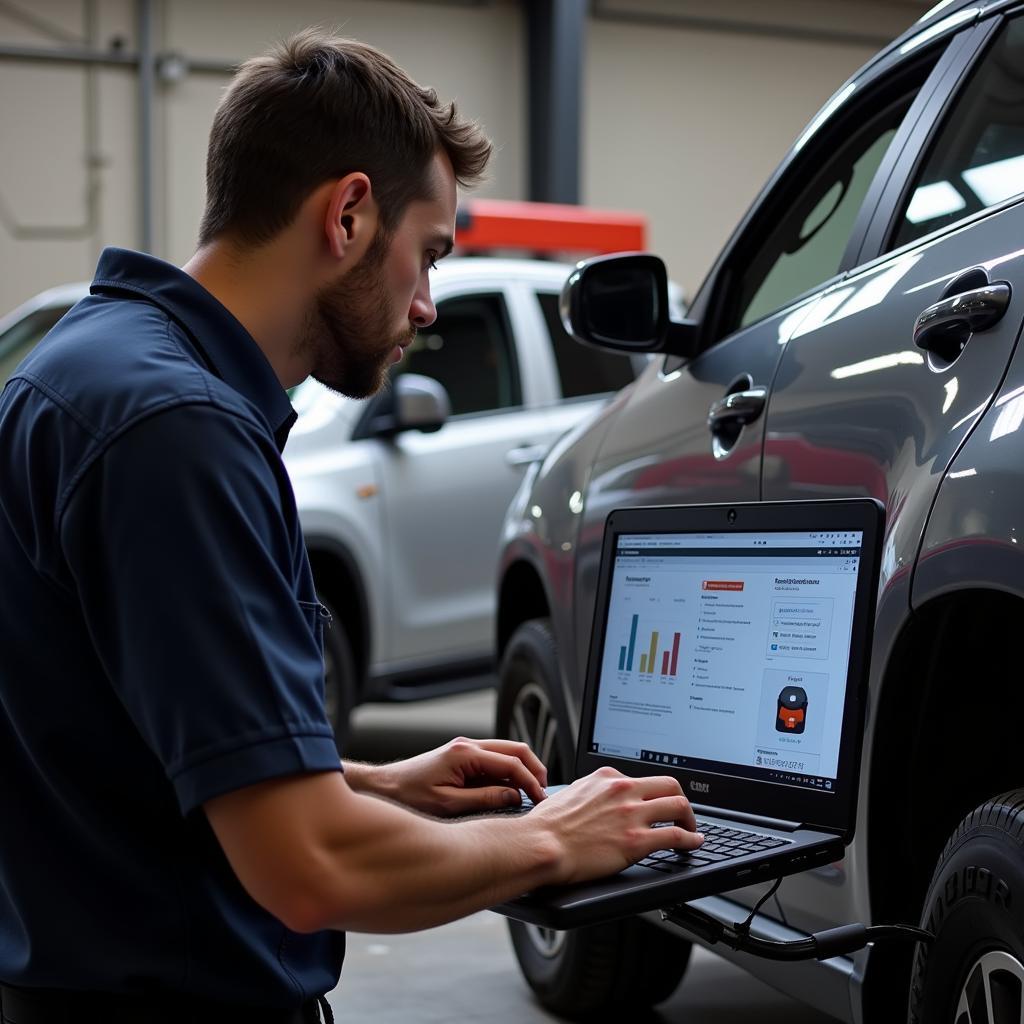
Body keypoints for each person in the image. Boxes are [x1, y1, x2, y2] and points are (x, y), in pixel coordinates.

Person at [0, 29, 702, 1024]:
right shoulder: (177, 431)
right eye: (428, 256)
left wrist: (366, 782)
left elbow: (115, 739)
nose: (423, 306)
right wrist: (557, 837)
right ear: (348, 214)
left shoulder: (83, 367)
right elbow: (308, 865)